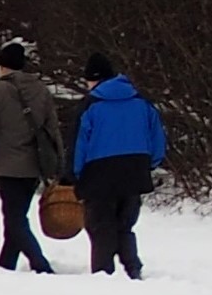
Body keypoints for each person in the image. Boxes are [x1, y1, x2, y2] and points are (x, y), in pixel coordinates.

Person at [0, 43, 61, 274]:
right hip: (35, 166)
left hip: (8, 166)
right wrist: (58, 166)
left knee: (15, 220)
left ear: (1, 66)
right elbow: (53, 130)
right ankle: (5, 267)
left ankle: (40, 265)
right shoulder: (41, 89)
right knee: (15, 217)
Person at [68, 53, 166, 280]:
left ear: (94, 79)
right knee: (124, 224)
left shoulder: (90, 105)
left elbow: (79, 144)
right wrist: (150, 163)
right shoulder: (141, 102)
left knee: (100, 227)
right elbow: (157, 138)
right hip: (135, 170)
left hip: (99, 173)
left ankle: (103, 274)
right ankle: (133, 268)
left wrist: (75, 174)